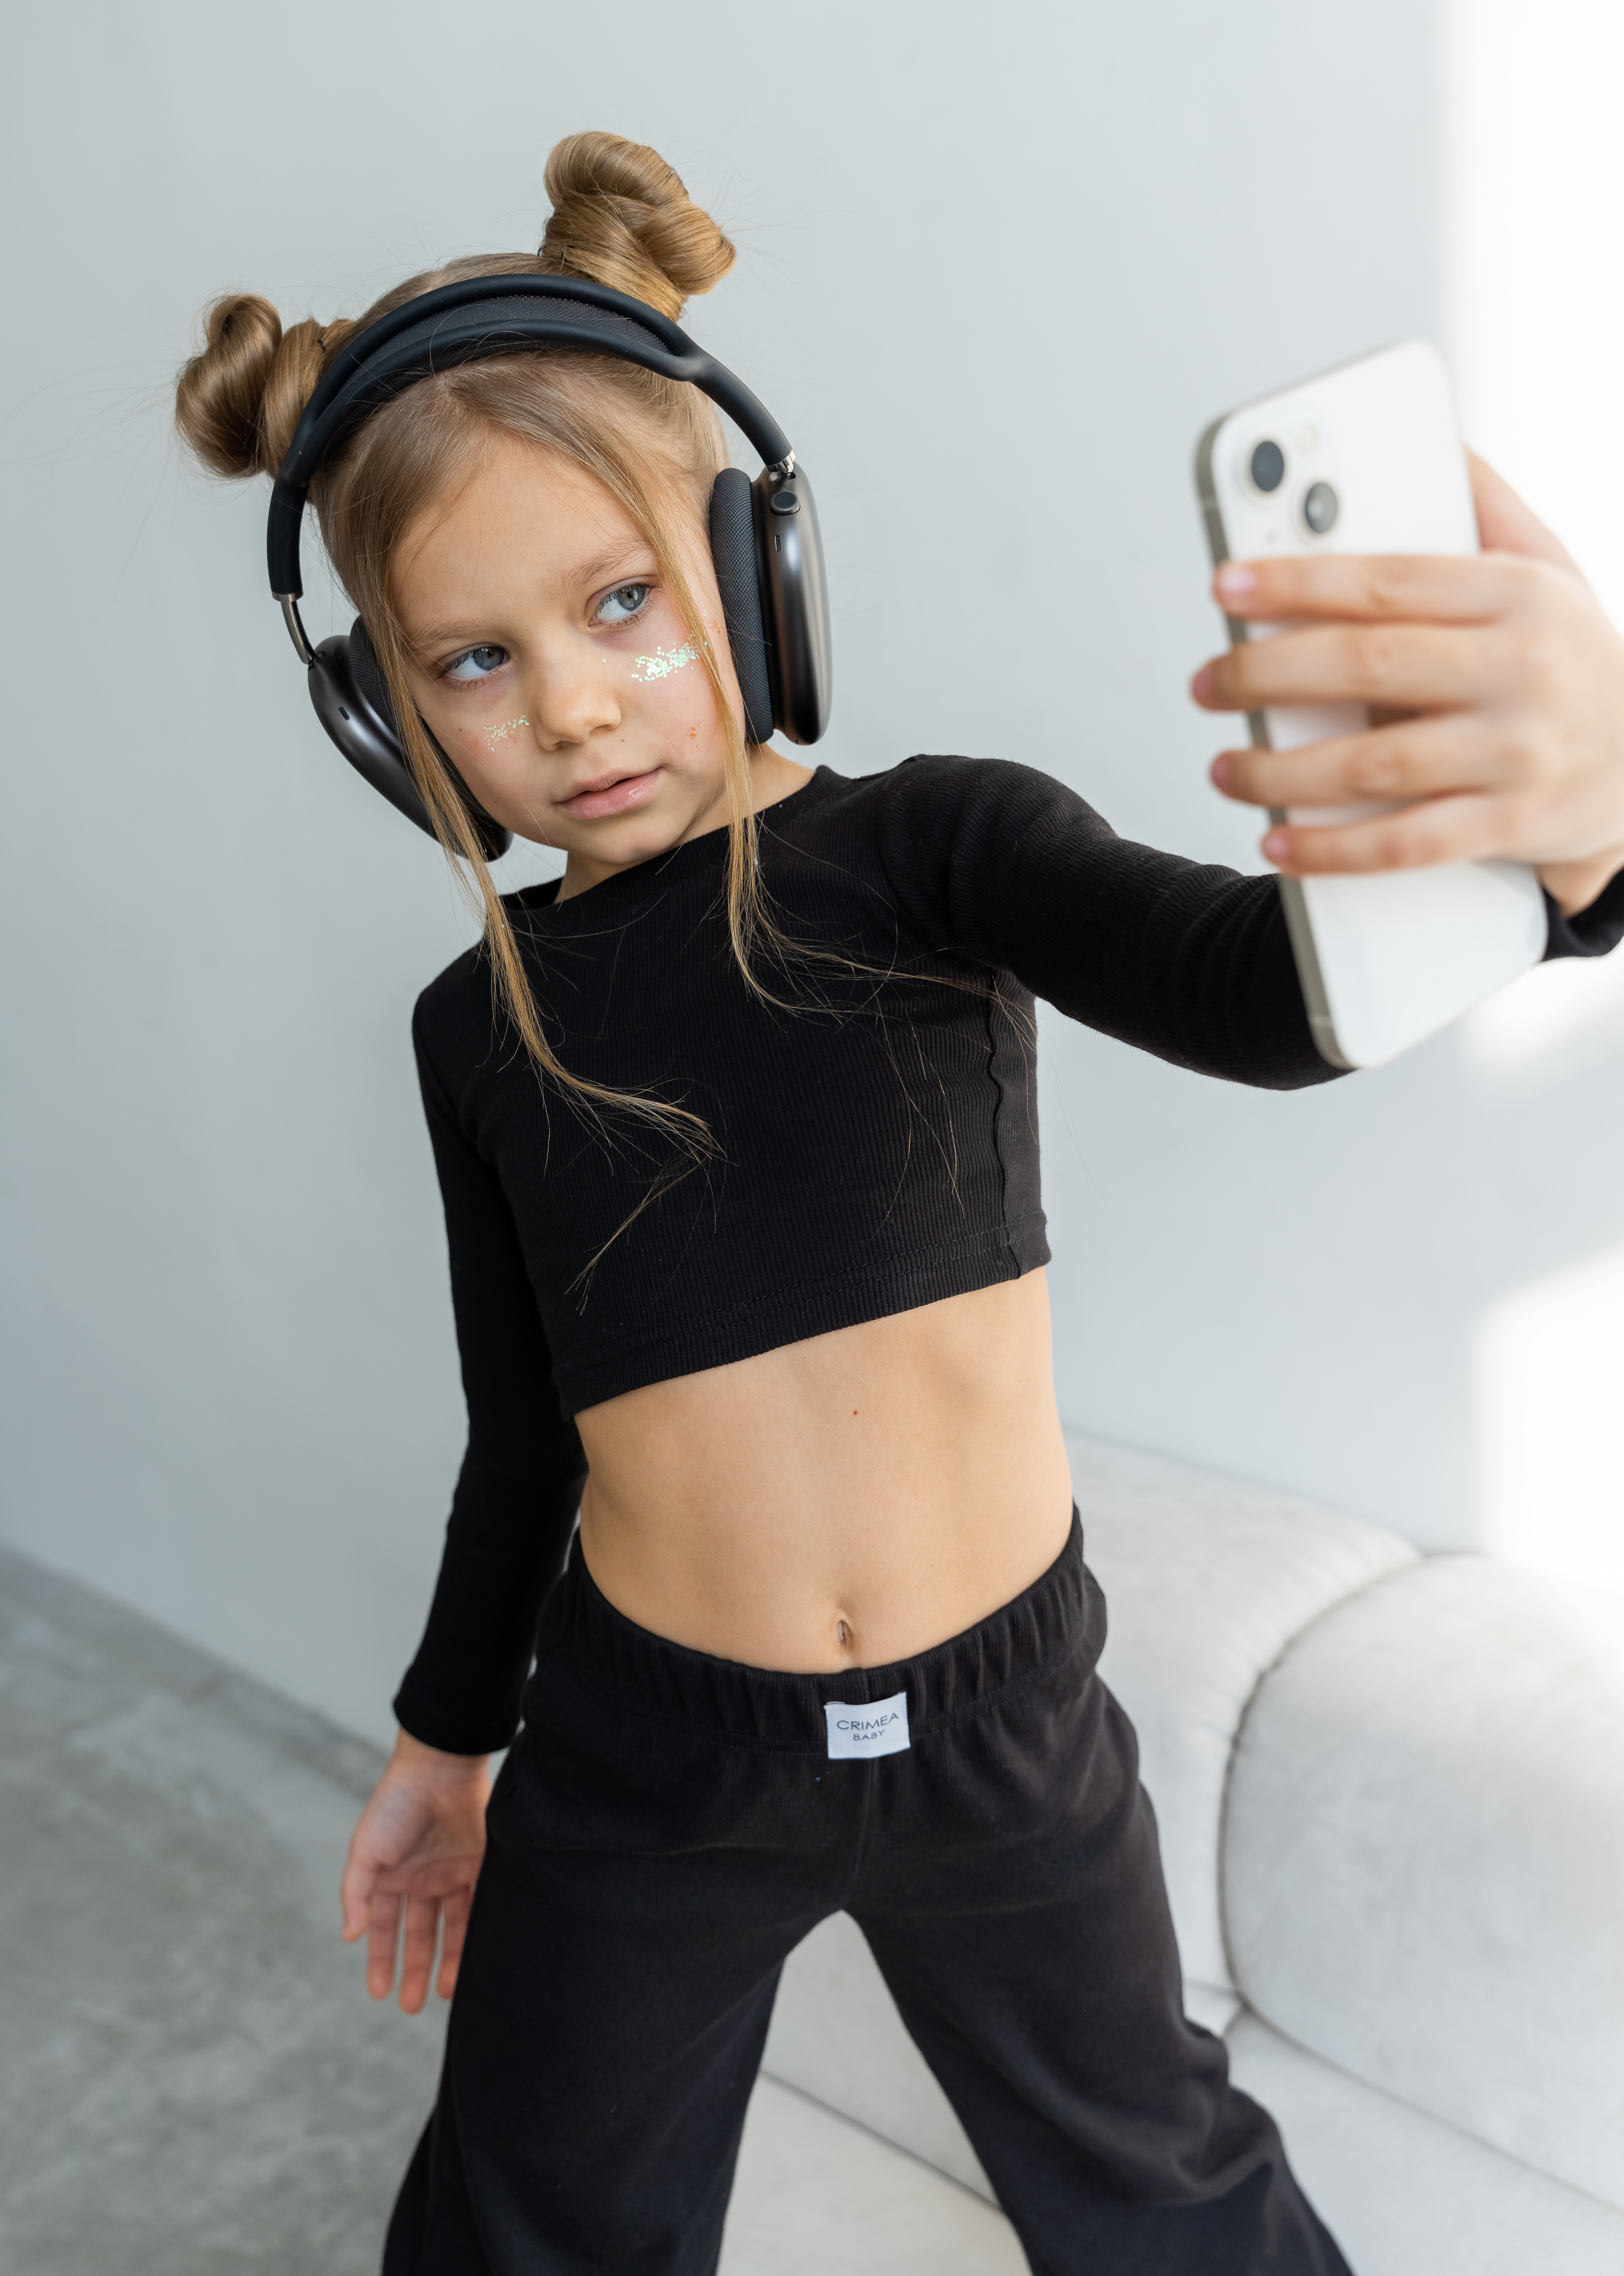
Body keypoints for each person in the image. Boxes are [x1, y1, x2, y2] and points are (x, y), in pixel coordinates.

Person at [174, 132, 1624, 2276]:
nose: (565, 703)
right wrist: (439, 1741)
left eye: (617, 604)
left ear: (756, 576)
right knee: (518, 2224)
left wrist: (1572, 840)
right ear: (382, 714)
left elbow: (1280, 1001)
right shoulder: (478, 1026)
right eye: (468, 662)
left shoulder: (935, 848)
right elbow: (526, 1435)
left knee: (1162, 2192)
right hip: (650, 1746)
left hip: (1002, 1733)